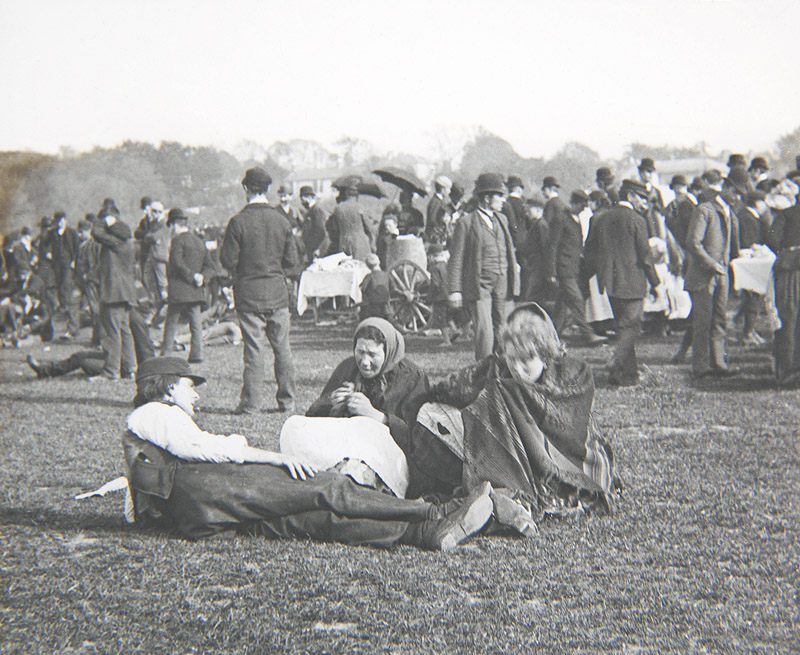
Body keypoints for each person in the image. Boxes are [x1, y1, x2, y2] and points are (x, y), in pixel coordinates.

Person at [123, 356, 493, 550]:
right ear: (169, 389)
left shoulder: (147, 422)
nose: (196, 394)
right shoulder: (156, 412)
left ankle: (423, 535)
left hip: (198, 513)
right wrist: (274, 457)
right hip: (208, 490)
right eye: (189, 387)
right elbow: (199, 448)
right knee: (327, 488)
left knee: (313, 521)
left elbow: (142, 484)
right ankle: (435, 511)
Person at [407, 303, 618, 518]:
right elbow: (452, 386)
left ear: (545, 357)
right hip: (517, 460)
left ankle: (537, 487)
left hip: (565, 462)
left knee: (497, 394)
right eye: (512, 358)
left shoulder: (571, 378)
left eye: (526, 359)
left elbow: (575, 430)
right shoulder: (499, 369)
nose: (517, 368)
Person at [220, 167, 299, 414]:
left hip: (249, 293)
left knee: (253, 351)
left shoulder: (238, 222)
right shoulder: (282, 221)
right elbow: (291, 261)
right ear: (266, 190)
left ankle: (251, 404)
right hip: (277, 293)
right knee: (282, 349)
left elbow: (227, 261)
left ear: (246, 189)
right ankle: (287, 402)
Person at [306, 317, 430, 452]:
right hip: (346, 448)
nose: (364, 362)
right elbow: (311, 420)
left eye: (372, 354)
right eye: (360, 352)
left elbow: (420, 440)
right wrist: (332, 404)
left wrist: (377, 416)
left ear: (388, 351)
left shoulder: (413, 378)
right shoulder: (348, 367)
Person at [583, 180, 661, 386]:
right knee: (630, 327)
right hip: (633, 281)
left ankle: (629, 371)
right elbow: (645, 256)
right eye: (641, 198)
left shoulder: (600, 218)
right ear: (631, 196)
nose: (644, 203)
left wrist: (594, 275)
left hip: (609, 282)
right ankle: (620, 372)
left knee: (623, 326)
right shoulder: (637, 220)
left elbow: (589, 250)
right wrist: (656, 283)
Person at [447, 173, 520, 360]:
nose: (503, 200)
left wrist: (514, 268)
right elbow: (455, 259)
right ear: (487, 198)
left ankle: (504, 369)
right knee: (484, 331)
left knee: (504, 327)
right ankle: (484, 372)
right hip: (479, 285)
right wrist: (455, 290)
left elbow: (508, 248)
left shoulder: (502, 220)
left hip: (502, 282)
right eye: (499, 196)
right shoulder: (466, 223)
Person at [684, 171, 741, 378]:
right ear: (725, 188)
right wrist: (712, 264)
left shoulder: (730, 213)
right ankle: (700, 366)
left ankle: (719, 363)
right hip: (703, 276)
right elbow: (692, 242)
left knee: (719, 319)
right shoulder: (705, 210)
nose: (737, 197)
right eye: (735, 192)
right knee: (703, 321)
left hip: (722, 276)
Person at [546, 190, 606, 346]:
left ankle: (551, 335)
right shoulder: (560, 219)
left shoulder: (575, 219)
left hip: (572, 268)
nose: (583, 209)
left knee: (561, 305)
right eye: (581, 205)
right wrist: (551, 271)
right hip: (563, 268)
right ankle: (588, 334)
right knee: (577, 300)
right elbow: (552, 246)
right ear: (573, 203)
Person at [160, 208, 215, 363]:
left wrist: (191, 276)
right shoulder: (199, 241)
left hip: (179, 289)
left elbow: (176, 262)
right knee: (196, 324)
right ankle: (196, 354)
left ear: (175, 224)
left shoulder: (177, 240)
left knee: (171, 322)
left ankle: (165, 353)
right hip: (196, 289)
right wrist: (202, 277)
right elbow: (210, 266)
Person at [92, 205, 137, 380]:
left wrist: (105, 221)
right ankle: (131, 369)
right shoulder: (126, 241)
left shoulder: (114, 241)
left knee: (112, 332)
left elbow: (96, 232)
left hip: (114, 292)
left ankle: (111, 371)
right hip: (125, 292)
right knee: (124, 331)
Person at [766, 193, 800, 384]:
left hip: (789, 271)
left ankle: (787, 371)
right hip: (792, 269)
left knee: (788, 318)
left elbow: (771, 239)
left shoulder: (786, 214)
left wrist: (788, 251)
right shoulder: (787, 214)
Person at [41, 211, 80, 339]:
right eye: (58, 221)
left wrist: (74, 261)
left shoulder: (71, 232)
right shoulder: (52, 233)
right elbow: (43, 244)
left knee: (66, 289)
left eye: (62, 220)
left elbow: (76, 248)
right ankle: (66, 318)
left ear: (66, 220)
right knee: (60, 289)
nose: (60, 223)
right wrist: (47, 253)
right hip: (57, 264)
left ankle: (70, 322)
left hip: (68, 264)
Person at [325, 178, 375, 262]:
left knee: (347, 266)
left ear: (346, 193)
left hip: (344, 242)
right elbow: (370, 229)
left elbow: (335, 228)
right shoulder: (360, 207)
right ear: (357, 194)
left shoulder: (338, 208)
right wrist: (372, 244)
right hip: (360, 242)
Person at [76, 217, 102, 346]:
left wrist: (89, 275)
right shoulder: (82, 245)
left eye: (81, 232)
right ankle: (96, 338)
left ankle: (98, 339)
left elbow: (99, 264)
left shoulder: (95, 245)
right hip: (87, 282)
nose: (79, 235)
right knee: (93, 310)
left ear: (88, 231)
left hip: (94, 282)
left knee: (96, 310)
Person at [299, 186, 328, 264]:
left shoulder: (316, 211)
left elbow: (320, 231)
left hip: (315, 250)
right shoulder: (309, 211)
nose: (302, 203)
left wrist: (316, 248)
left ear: (308, 197)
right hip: (310, 249)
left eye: (302, 200)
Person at [358, 254, 390, 321]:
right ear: (379, 262)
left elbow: (362, 288)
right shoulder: (386, 275)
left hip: (371, 306)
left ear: (368, 266)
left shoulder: (369, 276)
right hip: (385, 306)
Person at [425, 175, 452, 244]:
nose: (449, 192)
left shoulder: (439, 201)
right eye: (448, 189)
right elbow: (432, 221)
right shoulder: (435, 202)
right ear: (442, 188)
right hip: (434, 238)